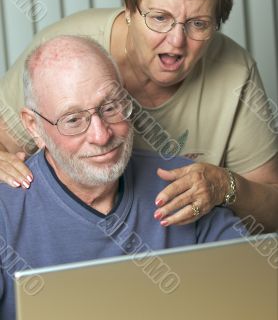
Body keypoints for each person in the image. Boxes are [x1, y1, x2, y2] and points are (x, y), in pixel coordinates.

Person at [0, 0, 277, 231]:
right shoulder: (64, 52)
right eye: (160, 18)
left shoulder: (234, 71)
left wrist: (224, 185)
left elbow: (272, 211)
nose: (176, 42)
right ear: (130, 8)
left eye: (198, 24)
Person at [0, 35, 247, 319]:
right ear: (34, 126)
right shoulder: (5, 213)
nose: (101, 135)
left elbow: (249, 291)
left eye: (111, 107)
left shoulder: (185, 184)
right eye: (73, 120)